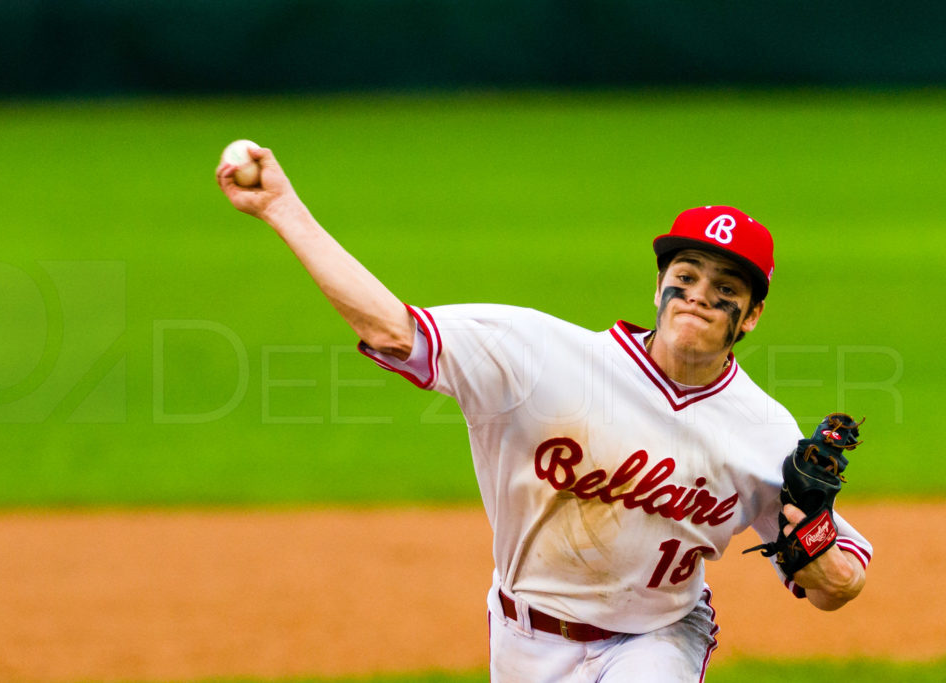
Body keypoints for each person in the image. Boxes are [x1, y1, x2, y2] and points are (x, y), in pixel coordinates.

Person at [216, 146, 872, 682]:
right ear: (659, 283)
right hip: (522, 636)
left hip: (658, 638)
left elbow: (837, 585)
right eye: (688, 273)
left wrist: (811, 537)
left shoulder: (763, 430)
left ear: (751, 315)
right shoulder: (537, 355)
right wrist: (283, 208)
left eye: (727, 288)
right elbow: (395, 332)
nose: (701, 294)